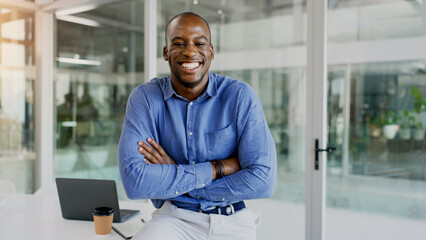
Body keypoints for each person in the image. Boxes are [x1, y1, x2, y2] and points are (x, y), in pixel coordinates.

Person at [118, 12, 277, 240]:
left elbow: (262, 180)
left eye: (199, 43)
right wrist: (217, 168)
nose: (190, 51)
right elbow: (135, 182)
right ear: (166, 52)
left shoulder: (240, 96)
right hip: (173, 219)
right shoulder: (144, 98)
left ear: (211, 51)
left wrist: (176, 180)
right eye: (179, 43)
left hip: (231, 220)